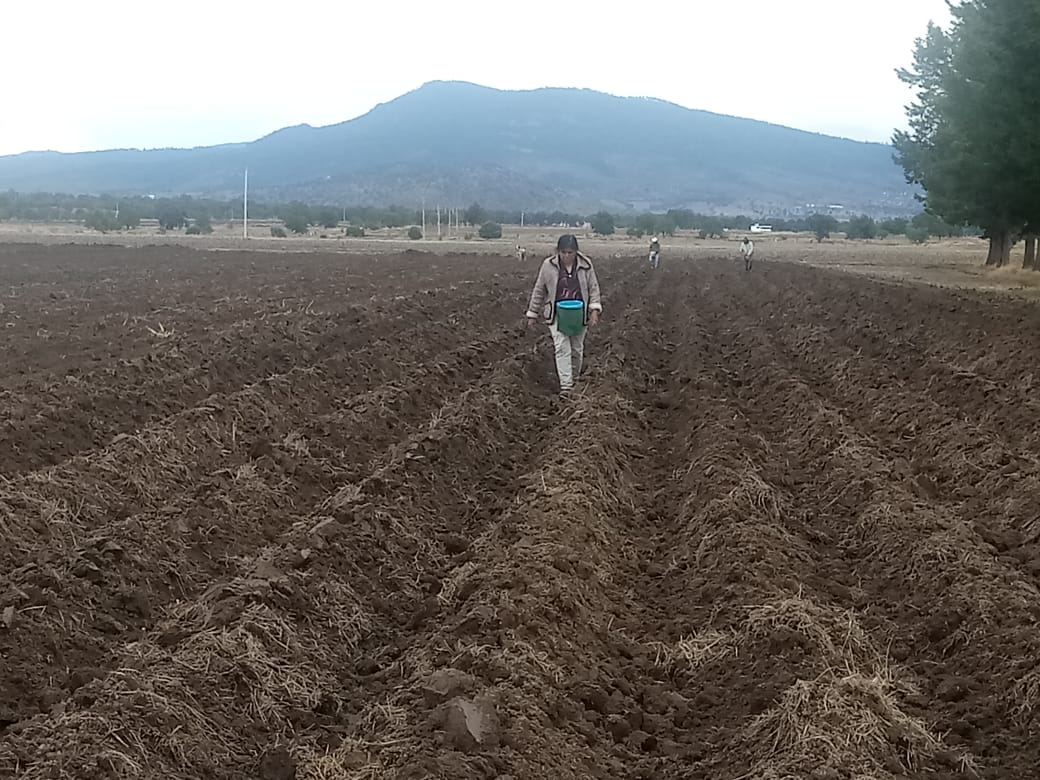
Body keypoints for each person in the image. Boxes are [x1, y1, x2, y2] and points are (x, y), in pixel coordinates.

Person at [525, 234, 602, 395]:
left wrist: (594, 310)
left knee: (576, 349)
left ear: (576, 252)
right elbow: (539, 289)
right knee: (562, 347)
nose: (567, 256)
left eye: (570, 253)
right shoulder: (548, 266)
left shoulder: (586, 265)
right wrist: (532, 314)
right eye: (563, 252)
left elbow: (593, 288)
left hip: (579, 313)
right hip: (557, 313)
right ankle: (566, 387)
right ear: (558, 251)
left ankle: (575, 380)